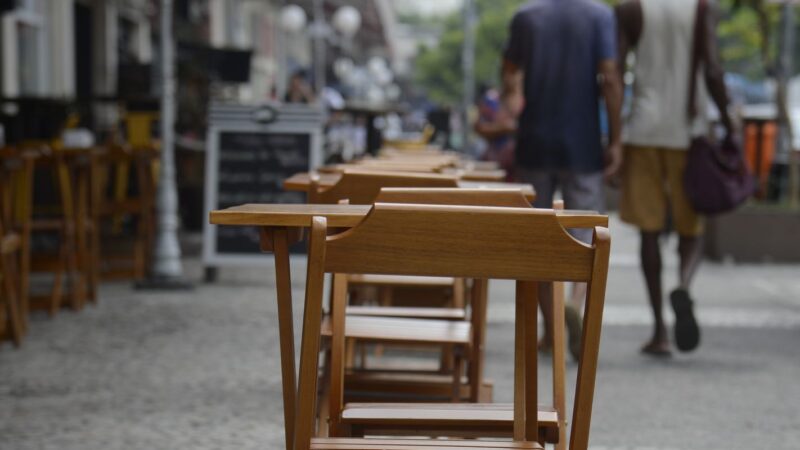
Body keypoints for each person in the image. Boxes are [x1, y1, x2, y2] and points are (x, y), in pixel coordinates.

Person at [502, 0, 624, 360]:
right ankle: (572, 302)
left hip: (534, 142)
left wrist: (514, 105)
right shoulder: (600, 16)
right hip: (583, 143)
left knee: (539, 237)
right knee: (584, 235)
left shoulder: (526, 17)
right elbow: (611, 79)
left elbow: (510, 77)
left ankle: (550, 327)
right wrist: (616, 139)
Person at [616, 0, 733, 356]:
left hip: (644, 130)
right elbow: (713, 70)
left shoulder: (631, 9)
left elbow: (616, 73)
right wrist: (729, 121)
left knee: (648, 231)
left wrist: (613, 139)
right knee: (691, 226)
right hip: (688, 131)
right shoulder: (700, 8)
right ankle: (682, 284)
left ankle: (660, 331)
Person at [474, 83, 524, 181]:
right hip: (493, 163)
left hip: (522, 167)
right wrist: (504, 128)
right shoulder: (491, 100)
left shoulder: (529, 100)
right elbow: (479, 127)